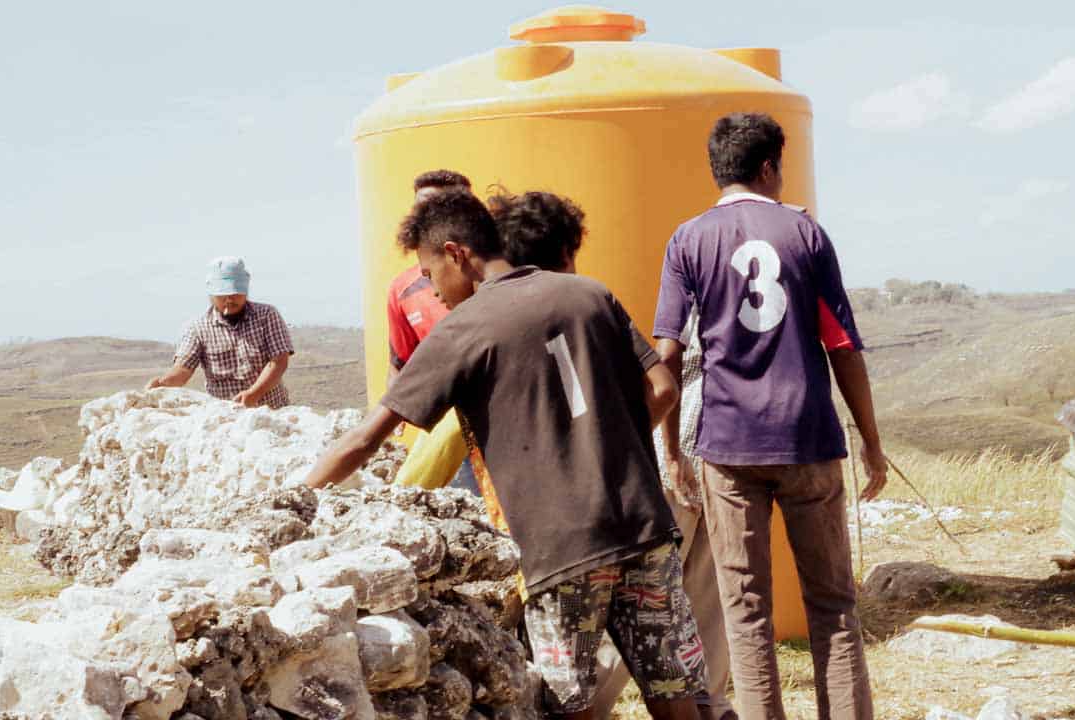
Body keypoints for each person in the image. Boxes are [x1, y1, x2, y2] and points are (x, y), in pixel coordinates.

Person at [305, 189, 706, 720]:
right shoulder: (589, 293)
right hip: (641, 525)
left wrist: (293, 499)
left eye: (429, 273)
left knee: (572, 705)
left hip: (560, 550)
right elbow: (663, 389)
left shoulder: (462, 330)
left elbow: (366, 438)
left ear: (457, 253)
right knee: (673, 693)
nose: (431, 290)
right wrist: (610, 443)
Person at [652, 112, 888, 720]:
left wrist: (672, 451)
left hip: (728, 446)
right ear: (768, 167)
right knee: (833, 605)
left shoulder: (687, 240)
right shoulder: (806, 234)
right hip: (807, 436)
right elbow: (841, 345)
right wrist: (870, 439)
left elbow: (669, 353)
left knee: (746, 608)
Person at [488, 189, 737, 720]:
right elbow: (663, 383)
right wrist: (627, 443)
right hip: (670, 482)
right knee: (682, 638)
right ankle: (712, 704)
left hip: (570, 521)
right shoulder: (594, 299)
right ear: (570, 249)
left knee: (576, 672)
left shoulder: (494, 318)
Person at [386, 169, 479, 493]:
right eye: (420, 209)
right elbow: (400, 361)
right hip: (446, 432)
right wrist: (394, 412)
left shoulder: (498, 274)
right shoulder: (403, 289)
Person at [147, 256, 294, 408]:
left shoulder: (267, 315)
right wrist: (161, 384)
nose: (229, 300)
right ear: (211, 294)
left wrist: (254, 393)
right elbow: (183, 369)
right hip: (225, 416)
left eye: (235, 294)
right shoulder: (197, 328)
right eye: (222, 295)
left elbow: (279, 361)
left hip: (273, 412)